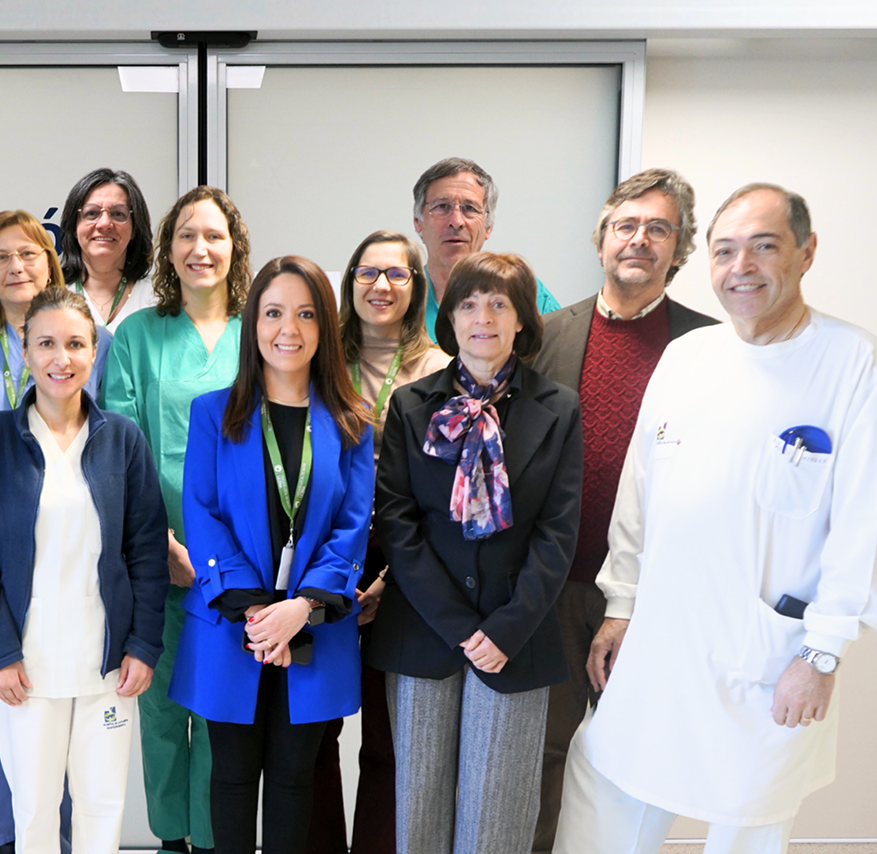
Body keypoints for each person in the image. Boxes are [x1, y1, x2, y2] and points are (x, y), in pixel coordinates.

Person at [554, 184, 877, 854]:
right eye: (725, 250)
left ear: (806, 252)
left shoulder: (851, 362)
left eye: (764, 246)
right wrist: (621, 605)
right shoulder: (688, 356)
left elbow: (862, 523)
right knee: (602, 791)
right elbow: (639, 494)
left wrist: (821, 653)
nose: (741, 267)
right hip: (662, 643)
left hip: (769, 655)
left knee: (747, 824)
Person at [527, 169, 717, 854]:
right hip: (551, 592)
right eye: (625, 225)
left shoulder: (709, 349)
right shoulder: (545, 335)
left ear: (679, 248)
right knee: (542, 762)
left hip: (652, 600)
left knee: (633, 768)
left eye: (658, 228)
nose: (639, 239)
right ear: (601, 238)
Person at [369, 252, 582, 854]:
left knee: (497, 819)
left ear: (522, 319)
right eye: (467, 303)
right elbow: (398, 523)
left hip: (517, 636)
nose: (482, 317)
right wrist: (460, 626)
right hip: (425, 628)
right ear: (450, 319)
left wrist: (506, 629)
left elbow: (558, 530)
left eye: (498, 304)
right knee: (420, 814)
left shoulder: (559, 407)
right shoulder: (411, 405)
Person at [0, 284, 170, 854]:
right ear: (25, 351)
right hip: (26, 665)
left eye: (75, 344)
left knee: (102, 807)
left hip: (108, 664)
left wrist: (143, 645)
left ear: (94, 352)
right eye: (46, 343)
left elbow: (147, 551)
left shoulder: (122, 440)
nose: (61, 358)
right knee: (34, 811)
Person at [171, 254, 374, 854]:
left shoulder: (352, 421)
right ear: (253, 323)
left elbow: (352, 526)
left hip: (315, 626)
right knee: (231, 776)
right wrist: (262, 617)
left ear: (326, 327)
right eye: (274, 313)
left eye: (306, 314)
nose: (289, 329)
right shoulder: (214, 413)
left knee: (293, 778)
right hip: (233, 622)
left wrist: (300, 609)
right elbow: (202, 515)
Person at [0, 210, 113, 854]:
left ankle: (58, 839)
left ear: (51, 261)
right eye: (1, 256)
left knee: (61, 699)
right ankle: (1, 839)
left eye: (30, 253)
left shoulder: (91, 340)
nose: (16, 267)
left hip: (66, 551)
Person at [103, 185, 255, 854]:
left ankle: (217, 838)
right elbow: (121, 446)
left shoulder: (261, 331)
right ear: (167, 249)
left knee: (221, 710)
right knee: (162, 710)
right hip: (158, 554)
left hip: (242, 561)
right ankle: (170, 838)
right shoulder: (138, 336)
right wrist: (160, 543)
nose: (200, 248)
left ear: (235, 248)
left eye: (214, 235)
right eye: (186, 235)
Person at [304, 231, 451, 854]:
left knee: (389, 740)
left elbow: (444, 492)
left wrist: (393, 579)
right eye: (368, 273)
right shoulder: (318, 359)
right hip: (321, 557)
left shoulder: (441, 369)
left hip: (405, 561)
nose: (381, 286)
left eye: (397, 274)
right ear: (350, 282)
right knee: (313, 732)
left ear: (416, 286)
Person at [411, 158, 562, 340]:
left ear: (488, 226)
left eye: (470, 208)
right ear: (418, 222)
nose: (456, 222)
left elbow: (558, 352)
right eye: (442, 206)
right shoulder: (401, 294)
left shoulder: (524, 291)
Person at [59, 168, 158, 330]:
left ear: (134, 228)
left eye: (118, 214)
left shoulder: (158, 298)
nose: (104, 224)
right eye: (92, 213)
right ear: (74, 227)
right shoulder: (51, 299)